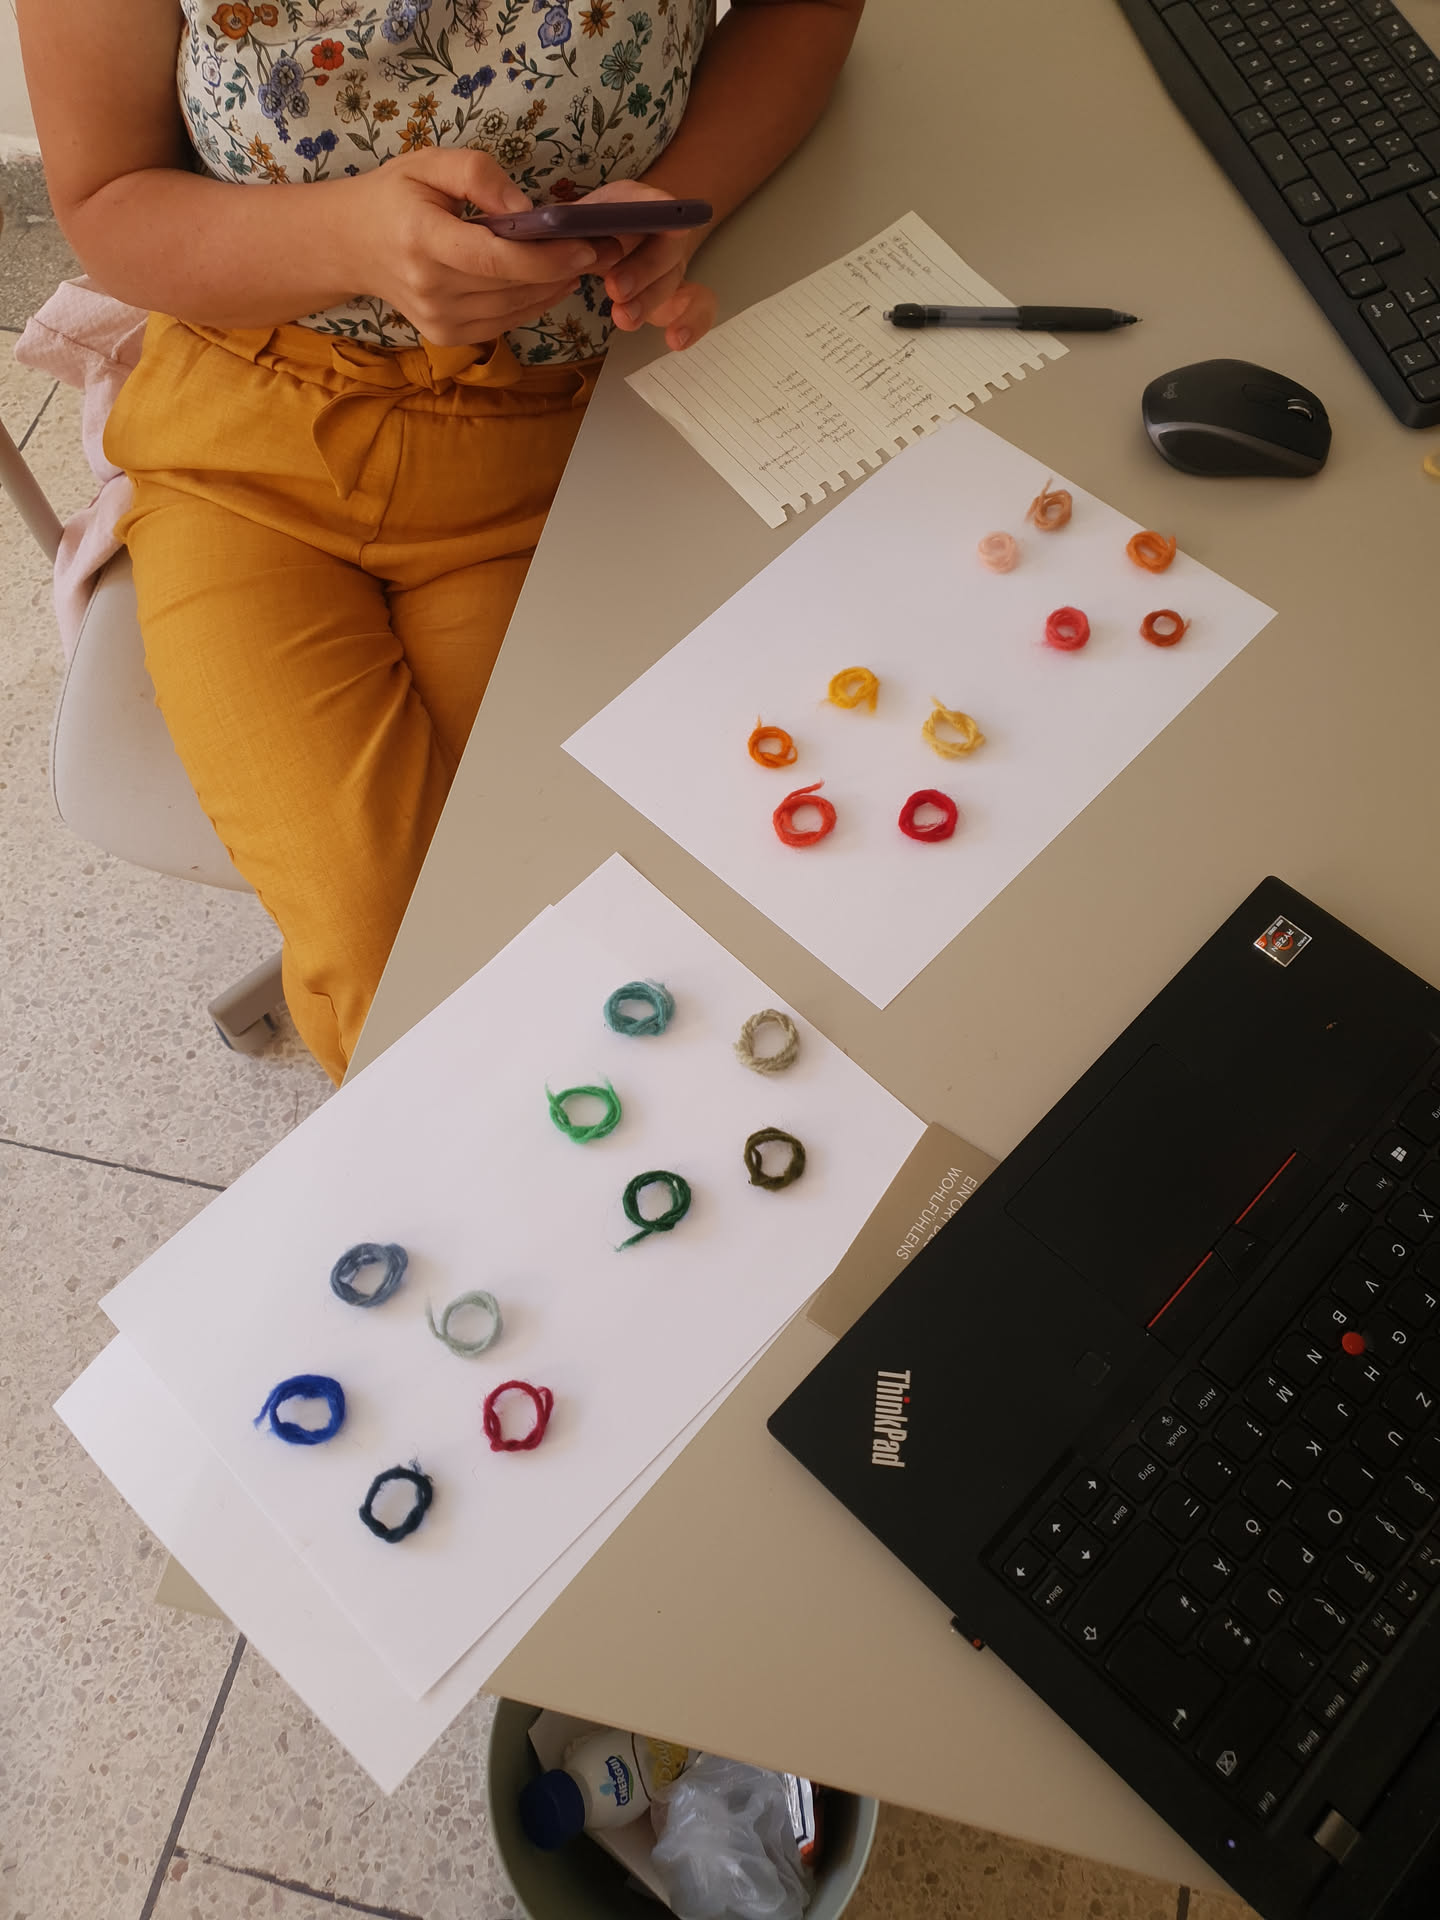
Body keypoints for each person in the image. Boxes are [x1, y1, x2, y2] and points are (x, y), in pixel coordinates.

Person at [17, 0, 864, 1082]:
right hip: (243, 435)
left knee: (553, 916)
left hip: (560, 435)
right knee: (394, 970)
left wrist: (680, 202)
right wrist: (345, 240)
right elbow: (106, 198)